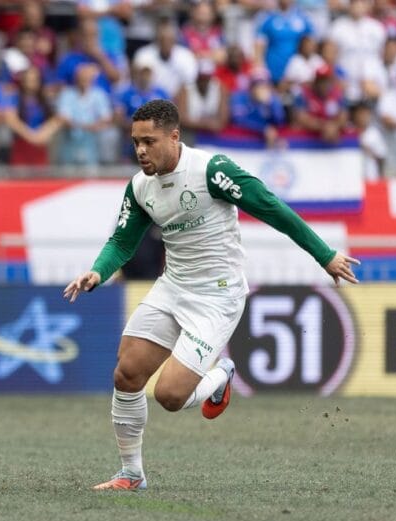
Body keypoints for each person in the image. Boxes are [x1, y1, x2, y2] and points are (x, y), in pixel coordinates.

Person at [63, 99, 359, 491]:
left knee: (170, 395)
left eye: (149, 141)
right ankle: (131, 474)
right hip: (173, 286)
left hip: (217, 296)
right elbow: (122, 240)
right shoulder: (139, 187)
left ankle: (221, 375)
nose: (140, 151)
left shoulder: (212, 170)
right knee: (127, 373)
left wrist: (325, 255)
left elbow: (271, 208)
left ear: (174, 136)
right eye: (135, 142)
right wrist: (98, 271)